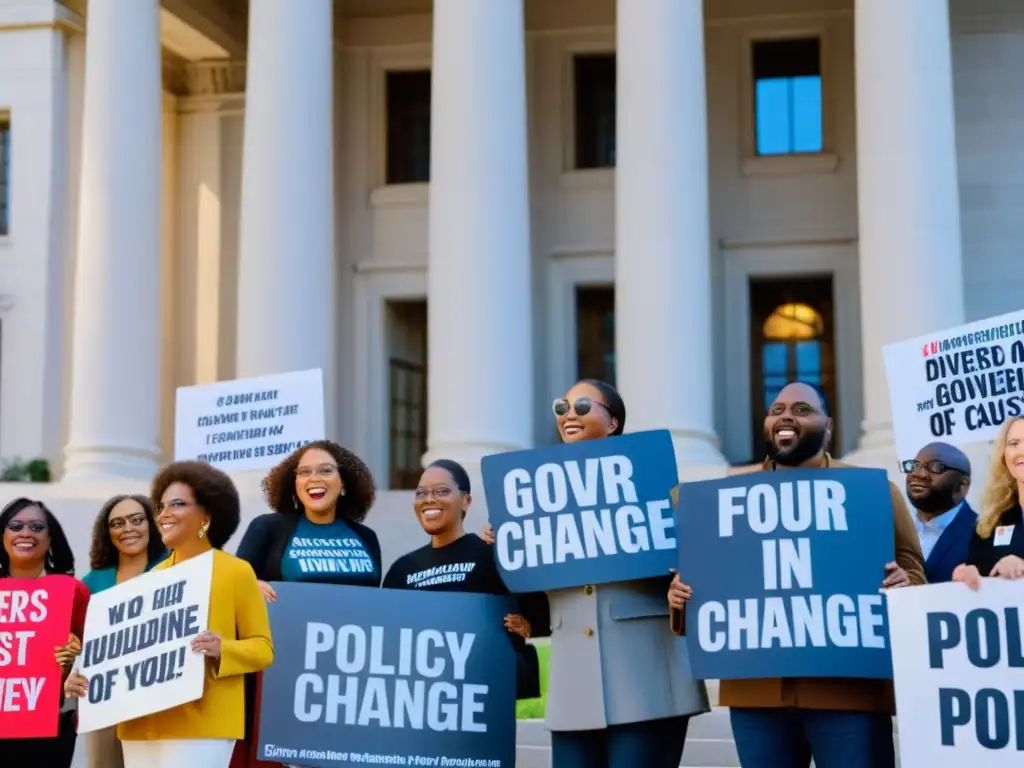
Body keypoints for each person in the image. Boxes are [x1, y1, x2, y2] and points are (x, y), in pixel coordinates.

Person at [669, 381, 925, 768]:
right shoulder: (724, 501)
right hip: (756, 695)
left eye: (802, 409)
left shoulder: (873, 491)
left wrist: (905, 586)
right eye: (777, 409)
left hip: (848, 692)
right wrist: (681, 596)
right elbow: (703, 585)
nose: (786, 415)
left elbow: (914, 573)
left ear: (829, 425)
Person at [485, 378, 708, 768]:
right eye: (562, 407)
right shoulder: (534, 496)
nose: (569, 414)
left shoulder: (654, 481)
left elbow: (688, 567)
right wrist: (507, 547)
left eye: (583, 406)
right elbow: (536, 596)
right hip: (574, 685)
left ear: (613, 423)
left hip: (648, 678)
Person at [64, 461, 274, 767]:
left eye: (177, 503)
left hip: (203, 724)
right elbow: (120, 650)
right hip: (140, 725)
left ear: (207, 514)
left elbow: (263, 649)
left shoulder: (236, 571)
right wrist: (82, 676)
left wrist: (223, 648)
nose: (163, 514)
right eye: (161, 506)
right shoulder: (149, 579)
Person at [232, 440, 381, 768]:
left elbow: (378, 605)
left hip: (347, 678)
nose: (315, 478)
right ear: (293, 484)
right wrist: (250, 584)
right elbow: (230, 583)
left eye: (326, 470)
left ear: (344, 483)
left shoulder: (365, 537)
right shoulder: (269, 528)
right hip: (282, 678)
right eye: (304, 472)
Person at [384, 459, 548, 699]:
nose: (429, 499)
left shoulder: (494, 557)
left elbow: (541, 618)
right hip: (420, 699)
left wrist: (526, 626)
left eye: (442, 491)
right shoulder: (401, 570)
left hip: (482, 698)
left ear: (466, 501)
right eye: (421, 493)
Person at [79, 494, 168, 768]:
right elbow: (76, 641)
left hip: (158, 699)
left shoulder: (173, 570)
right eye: (117, 523)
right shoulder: (93, 581)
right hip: (103, 701)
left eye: (137, 520)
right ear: (108, 533)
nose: (127, 528)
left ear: (151, 525)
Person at [1, 497, 91, 767]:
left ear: (51, 539)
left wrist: (74, 660)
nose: (25, 533)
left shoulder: (72, 590)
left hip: (51, 725)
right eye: (15, 526)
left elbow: (94, 653)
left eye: (37, 527)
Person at [953, 415, 1024, 588]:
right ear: (1004, 456)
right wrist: (968, 575)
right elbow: (979, 572)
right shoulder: (991, 524)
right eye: (1014, 444)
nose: (1021, 450)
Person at [902, 442, 977, 583]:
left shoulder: (984, 533)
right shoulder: (895, 532)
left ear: (963, 484)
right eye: (914, 465)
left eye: (936, 467)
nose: (919, 474)